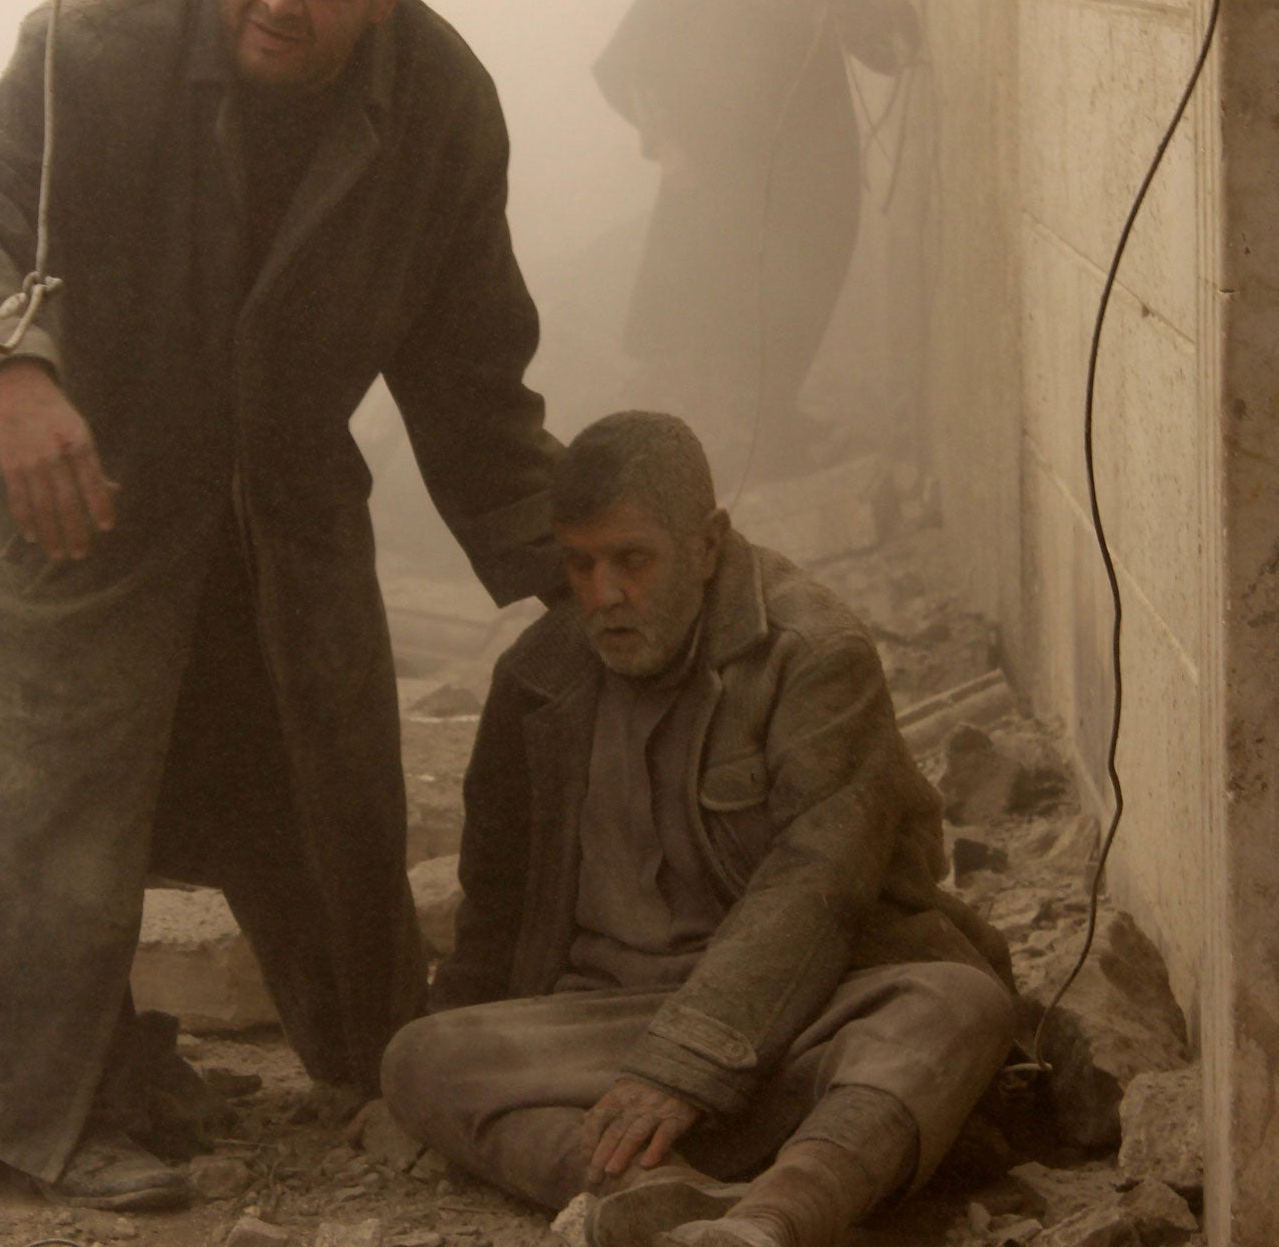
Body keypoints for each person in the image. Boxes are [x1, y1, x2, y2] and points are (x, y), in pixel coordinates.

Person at [0, 0, 563, 1237]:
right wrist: (12, 371)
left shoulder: (437, 106)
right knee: (31, 801)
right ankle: (17, 1116)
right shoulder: (110, 34)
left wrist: (575, 560)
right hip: (59, 477)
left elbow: (471, 364)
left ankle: (375, 1064)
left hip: (268, 497)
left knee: (321, 775)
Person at [381, 412, 1014, 1247]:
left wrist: (682, 1068)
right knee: (422, 1058)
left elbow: (817, 889)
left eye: (632, 561)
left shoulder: (812, 654)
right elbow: (494, 903)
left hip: (801, 1009)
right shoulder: (538, 677)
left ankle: (776, 1217)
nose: (603, 595)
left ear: (707, 544)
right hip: (607, 1026)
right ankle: (664, 1202)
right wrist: (416, 1085)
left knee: (955, 1002)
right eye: (581, 564)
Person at [594, 0, 917, 482]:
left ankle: (776, 426)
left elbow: (890, 52)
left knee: (801, 299)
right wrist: (666, 142)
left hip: (816, 180)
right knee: (734, 305)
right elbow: (626, 62)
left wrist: (891, 9)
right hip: (724, 182)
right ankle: (751, 439)